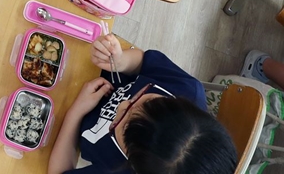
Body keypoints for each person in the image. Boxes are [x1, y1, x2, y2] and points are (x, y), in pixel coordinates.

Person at [48, 34, 237, 174]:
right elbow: (143, 62)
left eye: (121, 123)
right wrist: (121, 61)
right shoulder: (188, 89)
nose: (122, 104)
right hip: (86, 68)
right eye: (140, 97)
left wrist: (76, 112)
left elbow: (58, 171)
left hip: (59, 128)